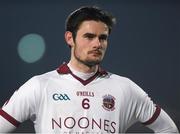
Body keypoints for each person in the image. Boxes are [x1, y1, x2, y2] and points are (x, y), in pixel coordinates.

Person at [0, 6, 179, 133]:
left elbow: (168, 129)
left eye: (103, 38)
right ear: (70, 38)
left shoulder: (125, 88)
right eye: (89, 36)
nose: (97, 44)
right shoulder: (40, 86)